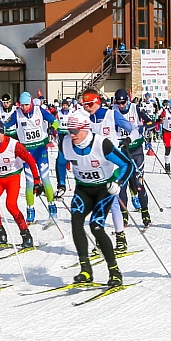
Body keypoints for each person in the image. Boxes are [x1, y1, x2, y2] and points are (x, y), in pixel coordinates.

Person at [61, 110, 134, 285]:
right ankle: (85, 269)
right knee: (76, 221)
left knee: (96, 226)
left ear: (85, 128)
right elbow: (61, 161)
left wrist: (119, 182)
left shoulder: (102, 144)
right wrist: (61, 185)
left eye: (75, 131)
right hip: (83, 190)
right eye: (69, 131)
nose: (72, 135)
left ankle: (115, 271)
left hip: (104, 189)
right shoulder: (65, 143)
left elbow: (127, 164)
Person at [80, 88, 133, 251]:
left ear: (97, 102)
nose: (86, 107)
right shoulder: (86, 119)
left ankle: (120, 239)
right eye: (84, 104)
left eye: (89, 104)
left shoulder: (111, 114)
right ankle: (102, 240)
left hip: (113, 165)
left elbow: (132, 128)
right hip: (96, 166)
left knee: (112, 201)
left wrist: (128, 139)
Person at [3, 92, 58, 223]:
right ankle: (30, 210)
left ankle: (52, 206)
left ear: (31, 103)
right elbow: (5, 125)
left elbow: (56, 121)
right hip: (27, 153)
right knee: (29, 182)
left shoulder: (40, 111)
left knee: (45, 179)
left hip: (41, 151)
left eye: (26, 105)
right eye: (22, 105)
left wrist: (52, 129)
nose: (24, 108)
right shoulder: (17, 114)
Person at [0, 120, 38, 250]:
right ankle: (0, 234)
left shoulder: (14, 145)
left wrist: (36, 180)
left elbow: (30, 160)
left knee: (11, 205)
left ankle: (26, 234)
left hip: (12, 177)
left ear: (3, 132)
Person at [113, 89, 156, 226]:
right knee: (122, 185)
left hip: (136, 150)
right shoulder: (112, 111)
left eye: (123, 102)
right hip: (121, 151)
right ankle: (124, 216)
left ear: (128, 100)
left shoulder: (135, 108)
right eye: (118, 103)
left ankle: (145, 214)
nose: (121, 105)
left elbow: (151, 122)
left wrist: (142, 128)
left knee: (138, 183)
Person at [54, 99, 73, 198]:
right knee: (61, 154)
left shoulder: (71, 113)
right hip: (61, 134)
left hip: (69, 135)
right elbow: (56, 122)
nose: (65, 107)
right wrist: (53, 129)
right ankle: (61, 183)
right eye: (63, 105)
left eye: (66, 105)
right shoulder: (59, 113)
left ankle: (68, 162)